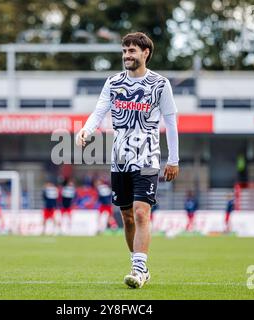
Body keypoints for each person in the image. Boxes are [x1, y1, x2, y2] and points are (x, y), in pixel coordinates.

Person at [76, 32, 180, 289]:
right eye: (124, 51)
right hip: (120, 160)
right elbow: (99, 111)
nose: (127, 56)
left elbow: (171, 122)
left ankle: (138, 269)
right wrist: (87, 130)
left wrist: (173, 159)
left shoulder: (160, 84)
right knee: (127, 217)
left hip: (148, 158)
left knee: (142, 212)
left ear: (145, 53)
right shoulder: (112, 83)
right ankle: (139, 264)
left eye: (132, 51)